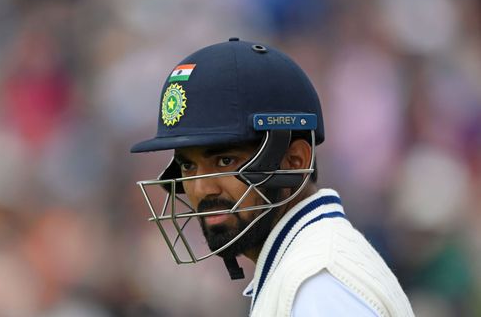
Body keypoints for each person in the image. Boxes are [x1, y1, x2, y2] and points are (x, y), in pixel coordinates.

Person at [131, 38, 414, 316]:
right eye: (189, 166)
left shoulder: (317, 282)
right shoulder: (301, 268)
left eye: (225, 161)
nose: (202, 187)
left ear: (294, 162)